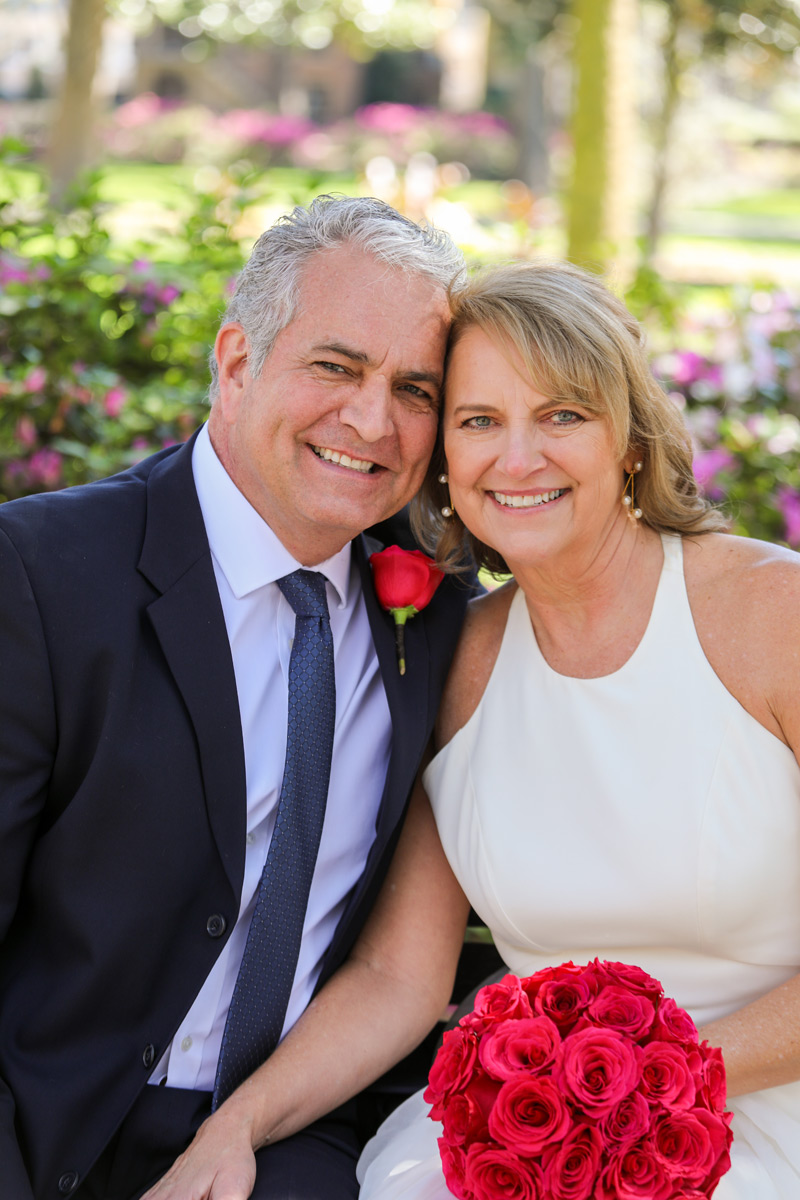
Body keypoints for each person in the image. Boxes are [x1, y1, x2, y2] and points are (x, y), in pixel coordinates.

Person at [147, 259, 800, 1200]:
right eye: (480, 421)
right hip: (542, 1130)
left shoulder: (771, 614)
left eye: (562, 416)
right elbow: (397, 980)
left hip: (764, 1104)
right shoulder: (456, 662)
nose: (517, 458)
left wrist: (643, 1099)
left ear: (628, 438)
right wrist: (235, 1128)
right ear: (444, 454)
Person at [0, 194, 472, 1200]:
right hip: (40, 1124)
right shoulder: (42, 576)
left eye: (414, 389)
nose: (371, 421)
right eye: (335, 367)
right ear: (236, 359)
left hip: (282, 1139)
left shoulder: (437, 616)